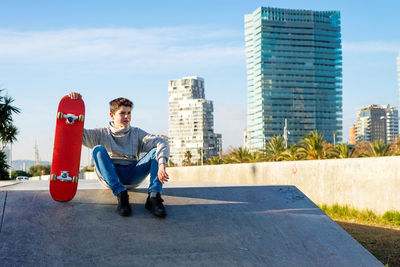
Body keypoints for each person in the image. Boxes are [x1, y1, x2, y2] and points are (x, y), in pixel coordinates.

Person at [68, 92, 170, 218]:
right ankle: (121, 195)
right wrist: (72, 105)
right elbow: (76, 132)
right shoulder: (101, 133)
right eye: (122, 113)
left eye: (129, 113)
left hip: (132, 174)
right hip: (112, 175)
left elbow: (161, 142)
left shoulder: (136, 133)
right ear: (112, 115)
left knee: (156, 151)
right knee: (97, 149)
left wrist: (161, 164)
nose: (126, 116)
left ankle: (154, 197)